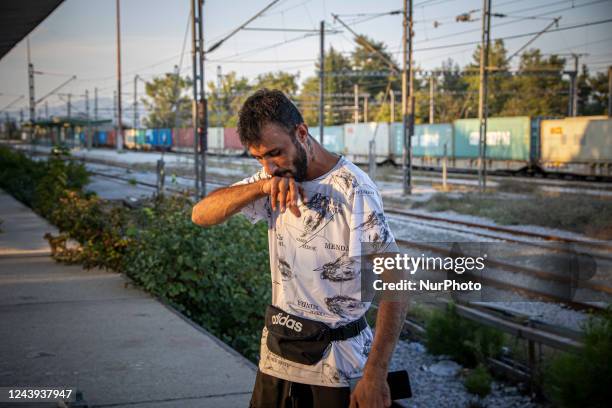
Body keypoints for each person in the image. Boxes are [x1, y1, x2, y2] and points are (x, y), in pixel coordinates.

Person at [192, 89, 408, 408]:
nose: (268, 166)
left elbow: (398, 281)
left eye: (275, 153)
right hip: (277, 359)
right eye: (259, 158)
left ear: (302, 133)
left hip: (337, 368)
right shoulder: (272, 180)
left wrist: (375, 374)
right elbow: (201, 214)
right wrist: (261, 188)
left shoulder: (354, 189)